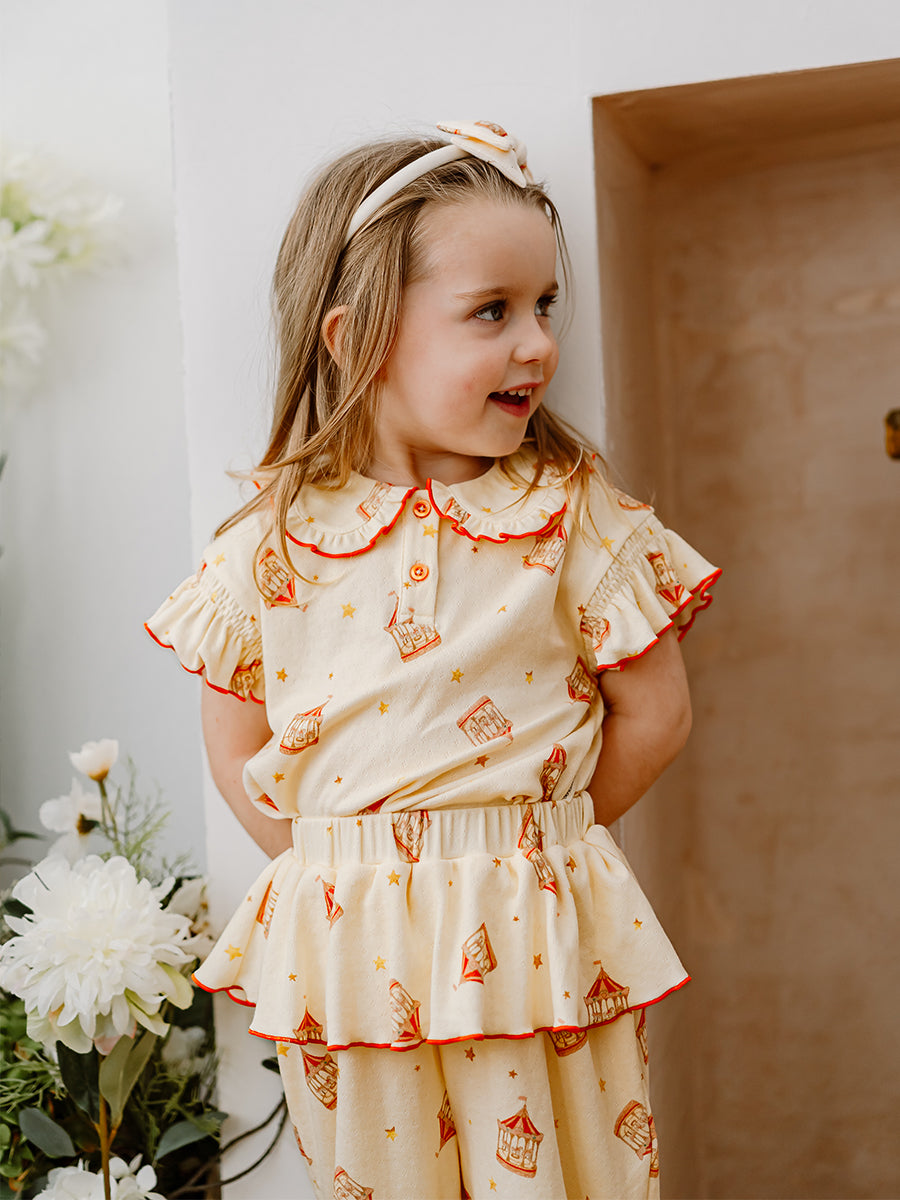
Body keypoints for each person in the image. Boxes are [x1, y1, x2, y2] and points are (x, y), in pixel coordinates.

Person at [146, 121, 720, 1199]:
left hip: (538, 926)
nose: (538, 343)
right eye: (492, 311)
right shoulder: (271, 543)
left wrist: (531, 846)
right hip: (351, 952)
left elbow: (658, 715)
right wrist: (348, 870)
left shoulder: (567, 515)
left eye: (545, 306)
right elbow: (238, 747)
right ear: (356, 336)